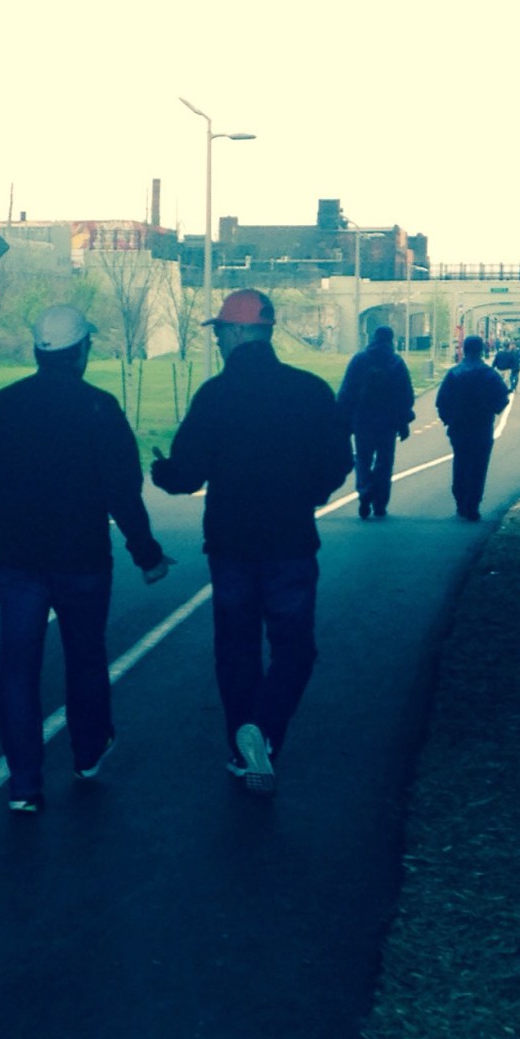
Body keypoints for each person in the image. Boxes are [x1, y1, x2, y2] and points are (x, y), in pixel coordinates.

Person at [0, 305, 174, 814]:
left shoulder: (5, 402)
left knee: (16, 667)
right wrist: (146, 553)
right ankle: (87, 752)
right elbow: (123, 490)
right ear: (81, 350)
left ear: (38, 351)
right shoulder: (99, 408)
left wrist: (12, 508)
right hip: (83, 558)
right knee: (85, 656)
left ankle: (23, 784)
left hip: (16, 556)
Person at [151, 289, 352, 794]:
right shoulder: (310, 391)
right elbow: (339, 461)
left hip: (232, 545)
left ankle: (245, 745)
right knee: (295, 649)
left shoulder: (215, 395)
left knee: (236, 648)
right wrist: (310, 493)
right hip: (291, 541)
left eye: (220, 330)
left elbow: (185, 476)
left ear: (240, 331)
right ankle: (263, 733)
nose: (218, 339)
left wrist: (161, 471)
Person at [337, 324, 416, 519]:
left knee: (363, 459)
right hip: (387, 422)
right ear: (391, 340)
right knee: (384, 461)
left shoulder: (359, 360)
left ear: (373, 338)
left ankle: (365, 490)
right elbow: (406, 395)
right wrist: (403, 421)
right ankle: (380, 503)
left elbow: (347, 391)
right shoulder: (396, 362)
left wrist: (344, 419)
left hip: (362, 419)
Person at [435, 333, 511, 521]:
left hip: (459, 426)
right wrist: (492, 410)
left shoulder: (454, 373)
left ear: (464, 350)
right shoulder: (489, 374)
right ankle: (473, 504)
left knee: (460, 461)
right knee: (478, 465)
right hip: (481, 426)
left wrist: (448, 419)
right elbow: (503, 398)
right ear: (481, 350)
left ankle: (460, 500)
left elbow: (441, 401)